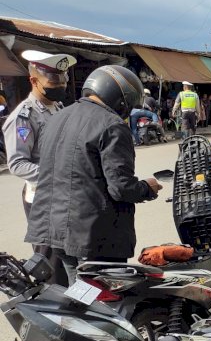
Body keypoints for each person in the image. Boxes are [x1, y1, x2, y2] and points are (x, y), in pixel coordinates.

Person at [25, 65, 163, 285]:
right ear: (121, 98)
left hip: (55, 230)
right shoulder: (112, 126)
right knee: (103, 304)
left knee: (79, 297)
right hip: (95, 237)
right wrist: (147, 187)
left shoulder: (57, 118)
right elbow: (121, 188)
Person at [2, 50, 77, 286]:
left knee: (71, 260)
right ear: (34, 81)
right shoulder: (24, 117)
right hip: (43, 199)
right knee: (53, 267)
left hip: (65, 195)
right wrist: (57, 175)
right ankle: (56, 319)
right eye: (54, 81)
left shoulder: (58, 108)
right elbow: (17, 164)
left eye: (63, 80)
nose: (61, 85)